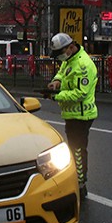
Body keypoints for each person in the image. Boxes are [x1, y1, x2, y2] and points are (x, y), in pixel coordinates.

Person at [46, 33, 98, 200]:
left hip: (81, 115)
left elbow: (80, 94)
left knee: (77, 151)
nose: (60, 57)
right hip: (72, 114)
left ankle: (81, 185)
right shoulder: (70, 59)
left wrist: (56, 96)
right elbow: (62, 72)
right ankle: (76, 180)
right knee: (73, 149)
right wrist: (56, 81)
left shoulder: (83, 65)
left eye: (61, 52)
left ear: (70, 47)